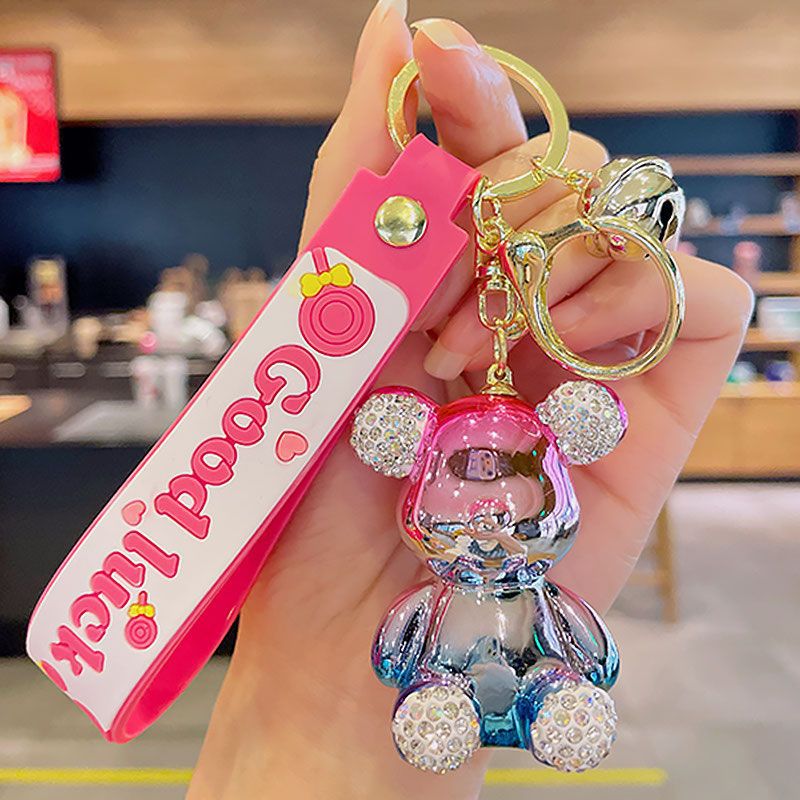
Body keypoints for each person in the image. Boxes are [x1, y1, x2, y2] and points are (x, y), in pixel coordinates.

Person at [188, 4, 752, 798]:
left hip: (532, 669)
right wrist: (320, 715)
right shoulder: (427, 583)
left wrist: (579, 670)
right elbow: (396, 647)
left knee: (558, 686)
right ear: (405, 450)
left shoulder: (542, 583)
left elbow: (589, 647)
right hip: (435, 685)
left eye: (511, 500)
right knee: (437, 696)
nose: (488, 524)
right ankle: (452, 707)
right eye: (465, 498)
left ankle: (550, 703)